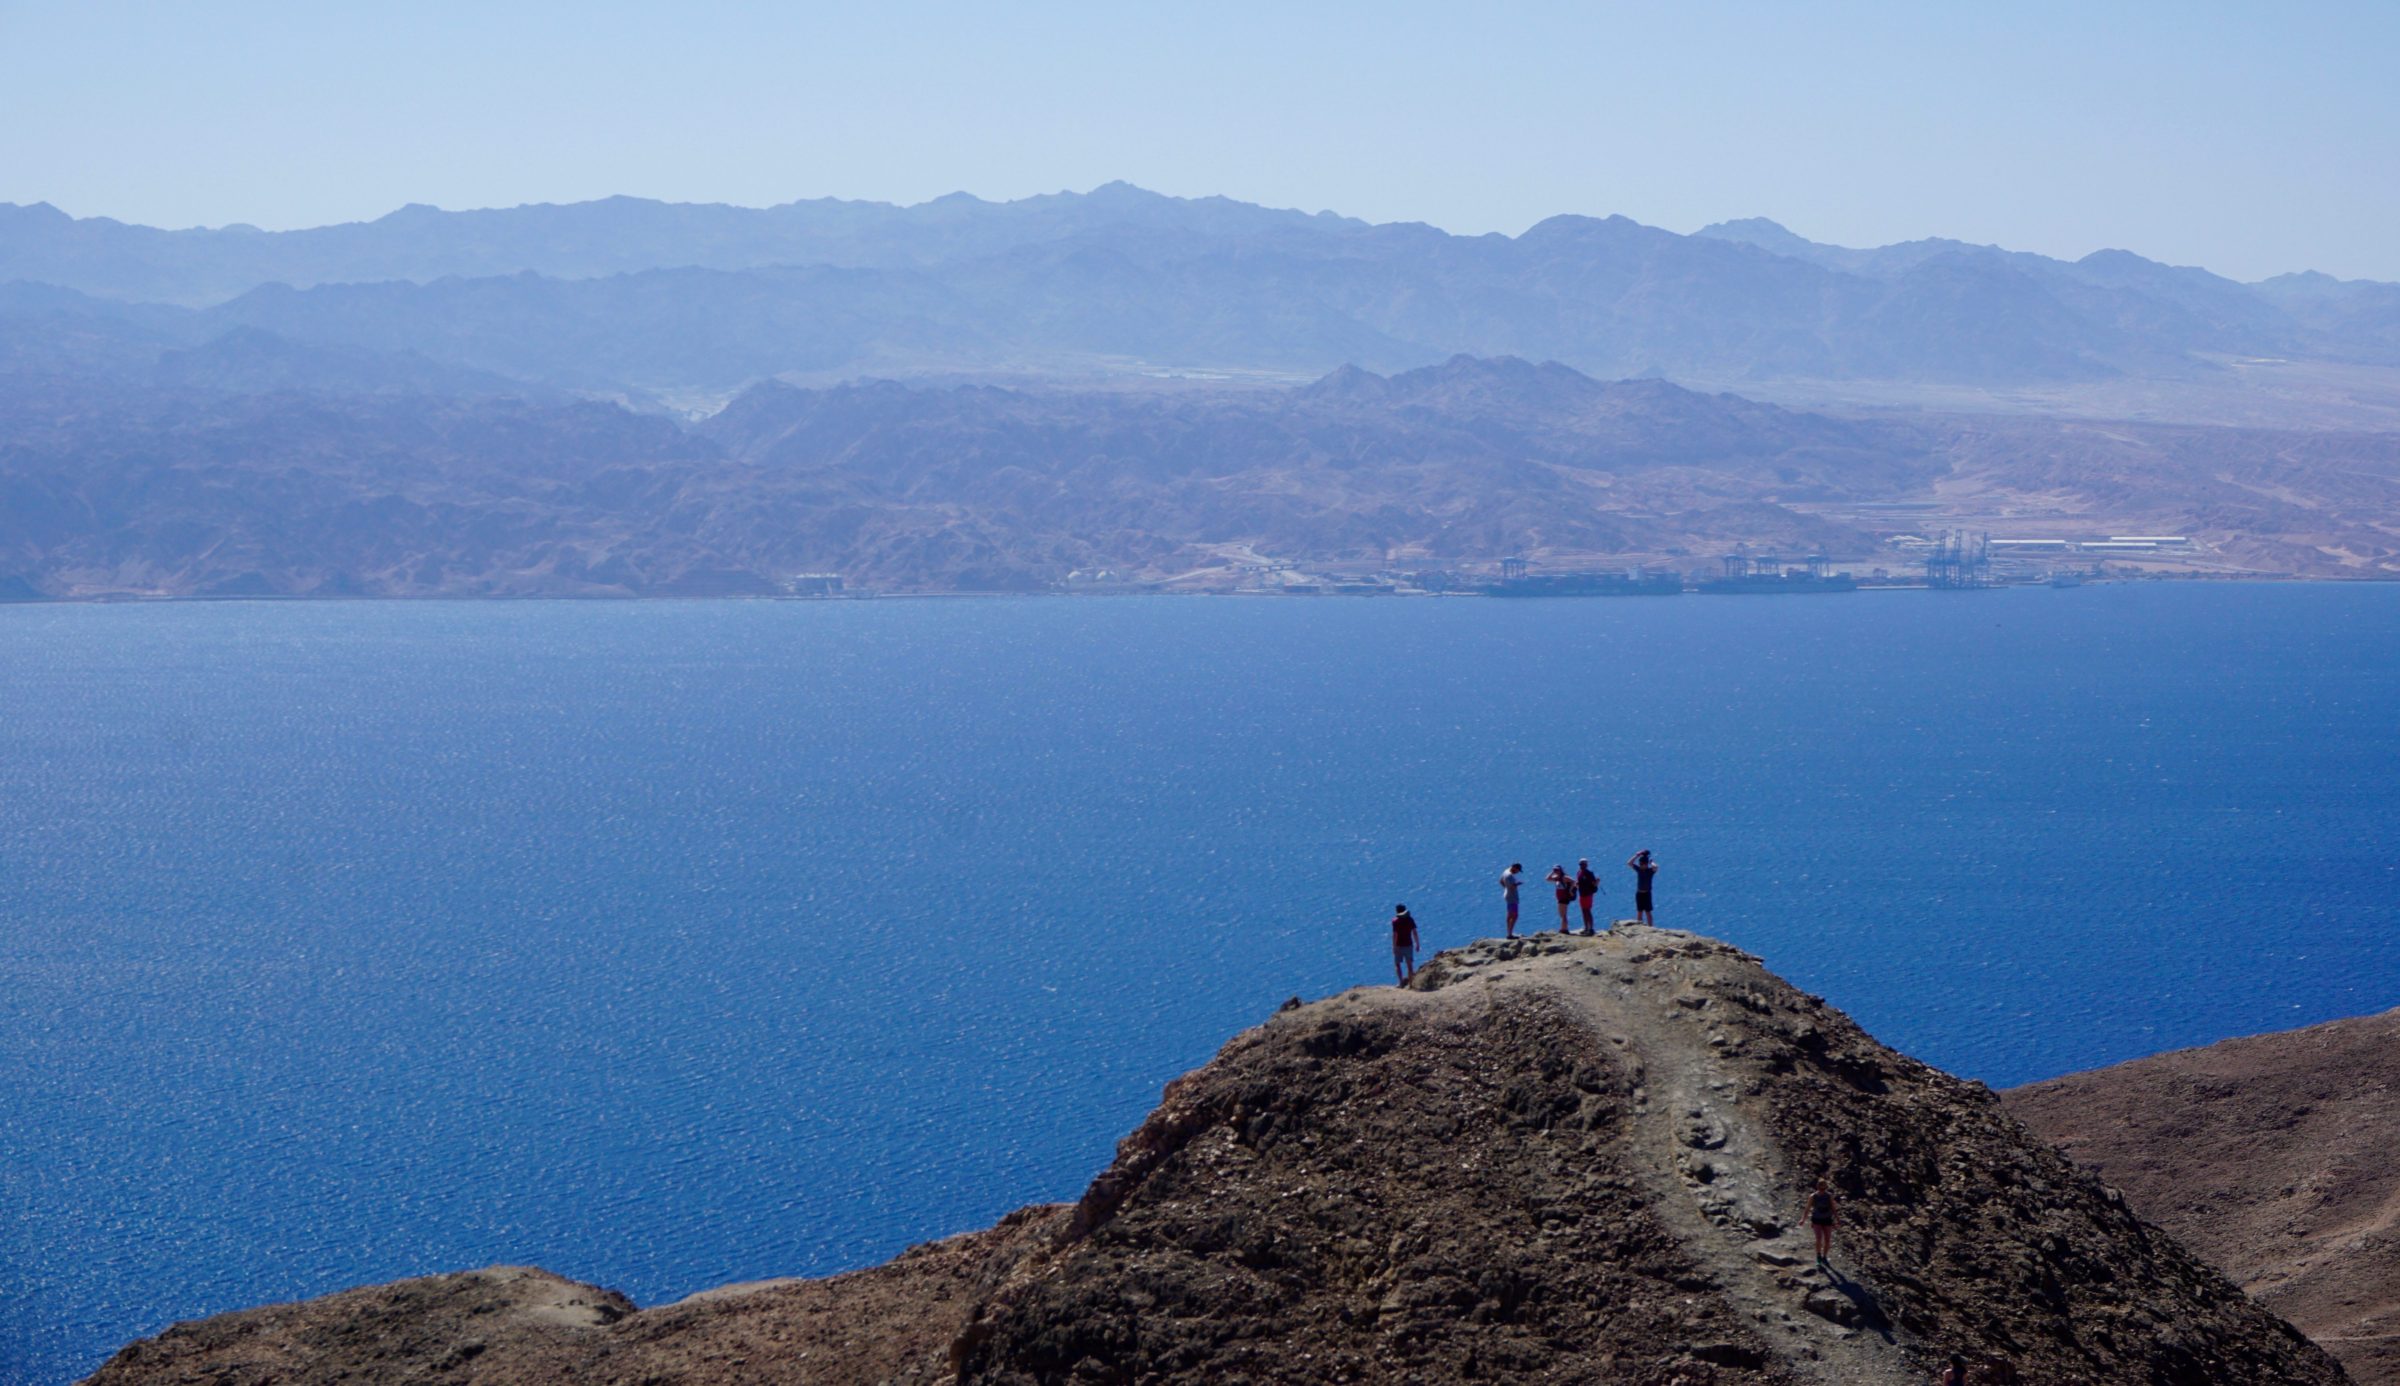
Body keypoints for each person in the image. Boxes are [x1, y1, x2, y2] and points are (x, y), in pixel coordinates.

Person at [1808, 1177, 1838, 1266]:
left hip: (1827, 1219)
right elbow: (1807, 1208)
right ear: (1817, 1187)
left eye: (1824, 1188)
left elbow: (1833, 1208)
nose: (1822, 1190)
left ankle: (1824, 1257)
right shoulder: (1813, 1196)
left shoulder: (1829, 1196)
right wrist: (1803, 1219)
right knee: (1818, 1239)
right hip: (1816, 1219)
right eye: (1821, 1188)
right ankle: (1818, 1256)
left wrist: (1838, 1219)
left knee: (1828, 1240)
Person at [1390, 904, 1421, 986]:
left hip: (1399, 945)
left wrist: (1394, 946)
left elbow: (1395, 935)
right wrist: (1417, 944)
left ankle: (1400, 982)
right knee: (1409, 965)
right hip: (1409, 945)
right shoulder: (1410, 920)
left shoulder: (1395, 921)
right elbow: (1414, 932)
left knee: (1397, 964)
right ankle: (1411, 984)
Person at [1628, 849, 1659, 926]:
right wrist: (1637, 855)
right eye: (1640, 864)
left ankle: (1650, 927)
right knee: (1639, 911)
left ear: (1646, 864)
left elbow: (1656, 867)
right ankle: (1639, 927)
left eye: (1643, 864)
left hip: (1647, 893)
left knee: (1648, 912)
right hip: (1639, 893)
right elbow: (1629, 863)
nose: (1641, 866)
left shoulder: (1650, 871)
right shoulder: (1639, 870)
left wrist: (1651, 862)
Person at [1545, 865, 1575, 933]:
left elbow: (1573, 881)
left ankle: (1564, 929)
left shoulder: (1564, 877)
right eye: (1555, 870)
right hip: (1559, 898)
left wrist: (1570, 890)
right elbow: (1547, 879)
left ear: (1560, 870)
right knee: (1561, 914)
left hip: (1564, 897)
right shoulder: (1556, 878)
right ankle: (1564, 928)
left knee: (1563, 914)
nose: (1556, 871)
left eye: (1557, 870)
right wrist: (1552, 872)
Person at [1575, 859, 1600, 934]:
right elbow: (1578, 882)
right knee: (1583, 911)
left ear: (1586, 865)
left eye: (1583, 864)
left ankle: (1591, 929)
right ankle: (1586, 928)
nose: (1581, 866)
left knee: (1588, 911)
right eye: (1580, 864)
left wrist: (1597, 882)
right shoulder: (1578, 873)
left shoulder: (1589, 873)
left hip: (1588, 894)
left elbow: (1594, 883)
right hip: (1581, 894)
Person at [1500, 863, 1523, 938]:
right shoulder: (1510, 876)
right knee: (1514, 915)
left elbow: (1501, 881)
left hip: (1507, 895)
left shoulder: (1505, 871)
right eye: (1517, 870)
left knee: (1509, 915)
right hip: (1512, 897)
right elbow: (1512, 887)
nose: (1517, 872)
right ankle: (1510, 934)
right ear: (1514, 868)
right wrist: (1517, 884)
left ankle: (1509, 933)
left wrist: (1506, 888)